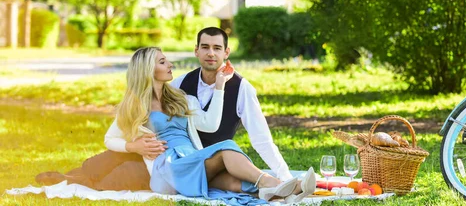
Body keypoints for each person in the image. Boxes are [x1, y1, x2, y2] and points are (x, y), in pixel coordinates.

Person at [36, 27, 293, 191]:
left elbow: (257, 137)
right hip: (163, 160)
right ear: (197, 50)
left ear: (226, 52)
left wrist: (220, 87)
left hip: (196, 158)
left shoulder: (188, 94)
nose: (211, 54)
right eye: (205, 47)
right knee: (101, 166)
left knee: (120, 176)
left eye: (217, 48)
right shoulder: (180, 85)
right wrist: (134, 146)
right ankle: (68, 178)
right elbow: (113, 136)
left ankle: (278, 186)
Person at [101, 46, 315, 203]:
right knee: (227, 148)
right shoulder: (135, 105)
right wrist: (133, 147)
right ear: (147, 69)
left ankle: (285, 189)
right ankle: (272, 182)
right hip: (167, 168)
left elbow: (211, 124)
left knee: (230, 181)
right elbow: (109, 139)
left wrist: (220, 85)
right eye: (163, 61)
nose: (170, 65)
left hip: (192, 160)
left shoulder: (180, 99)